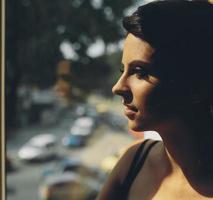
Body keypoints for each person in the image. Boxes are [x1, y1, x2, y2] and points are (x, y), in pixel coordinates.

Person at [96, 0, 213, 199]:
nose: (117, 88)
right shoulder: (133, 162)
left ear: (197, 87)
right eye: (123, 70)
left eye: (139, 72)